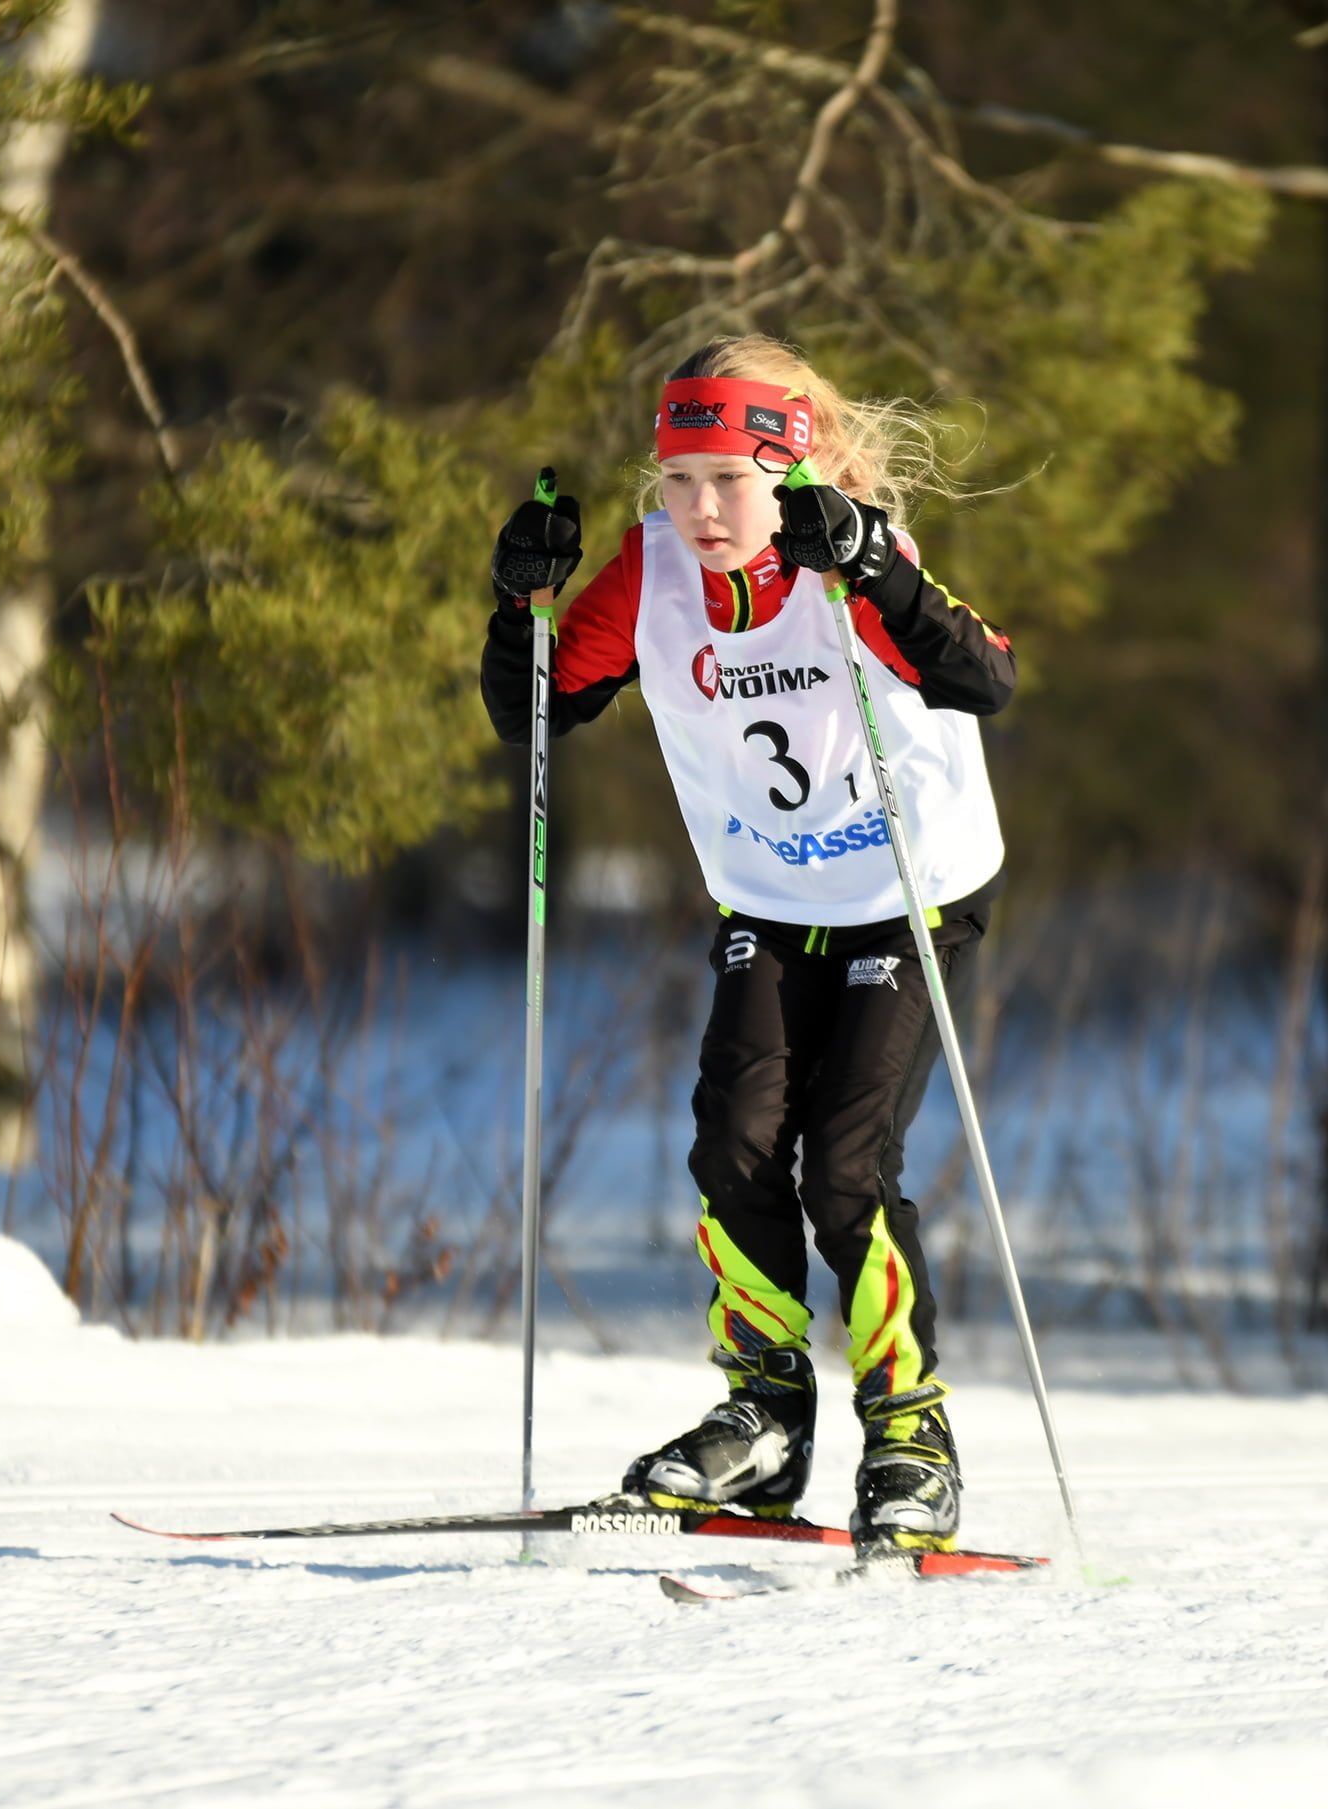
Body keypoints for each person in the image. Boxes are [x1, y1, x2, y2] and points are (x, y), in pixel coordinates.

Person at [478, 336, 1017, 1554]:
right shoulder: (654, 572)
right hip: (768, 900)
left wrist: (880, 575)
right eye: (678, 479)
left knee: (843, 1166)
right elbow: (535, 713)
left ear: (792, 465)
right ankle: (763, 1422)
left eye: (728, 479)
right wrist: (523, 610)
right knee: (732, 1147)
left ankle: (909, 1437)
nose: (701, 508)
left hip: (908, 892)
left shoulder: (845, 553)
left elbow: (985, 680)